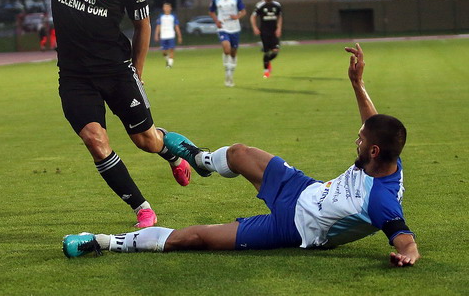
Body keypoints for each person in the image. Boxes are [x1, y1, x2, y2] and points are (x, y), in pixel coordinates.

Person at [63, 44, 420, 268]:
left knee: (196, 238)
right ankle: (200, 161)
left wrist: (407, 256)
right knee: (239, 152)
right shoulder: (385, 157)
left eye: (360, 140)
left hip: (293, 227)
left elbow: (404, 238)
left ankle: (103, 241)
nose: (356, 140)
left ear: (374, 151)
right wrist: (357, 84)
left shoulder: (381, 200)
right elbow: (373, 124)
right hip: (301, 188)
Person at [7, 0, 191, 228]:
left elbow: (143, 25)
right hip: (75, 76)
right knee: (95, 139)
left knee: (145, 140)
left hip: (116, 70)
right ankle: (142, 209)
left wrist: (138, 71)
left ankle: (171, 153)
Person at [209, 0, 246, 87]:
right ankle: (227, 73)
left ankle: (231, 76)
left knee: (233, 53)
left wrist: (237, 16)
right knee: (226, 49)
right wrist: (216, 21)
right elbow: (211, 12)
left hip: (235, 28)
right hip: (223, 28)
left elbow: (243, 11)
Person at [250, 0, 283, 78]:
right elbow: (253, 17)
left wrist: (279, 28)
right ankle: (266, 72)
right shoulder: (260, 5)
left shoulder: (277, 5)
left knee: (275, 51)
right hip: (264, 32)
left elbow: (280, 17)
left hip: (274, 32)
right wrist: (255, 28)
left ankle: (268, 62)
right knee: (267, 52)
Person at [154, 2, 182, 68]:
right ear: (163, 8)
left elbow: (177, 27)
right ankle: (168, 60)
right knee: (164, 51)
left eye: (167, 7)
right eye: (165, 7)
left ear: (170, 8)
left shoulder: (173, 16)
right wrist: (156, 35)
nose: (166, 8)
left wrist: (179, 36)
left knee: (171, 49)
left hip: (171, 35)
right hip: (163, 36)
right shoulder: (161, 16)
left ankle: (170, 65)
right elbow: (158, 26)